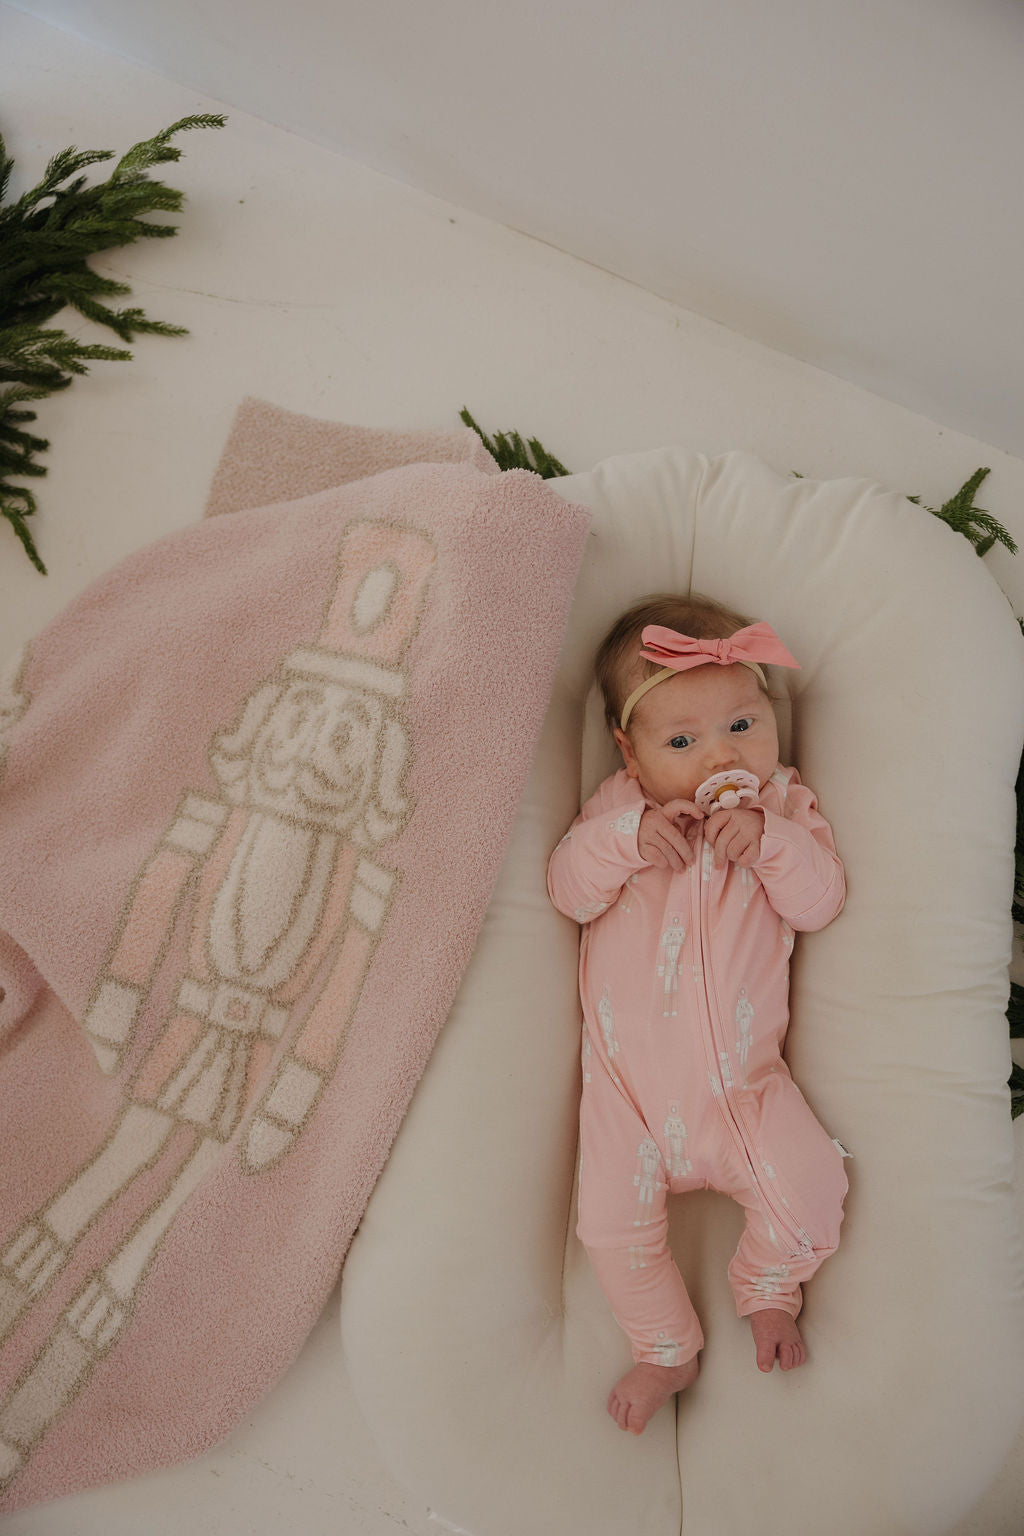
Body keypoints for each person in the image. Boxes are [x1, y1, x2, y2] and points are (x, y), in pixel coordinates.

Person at [547, 593, 849, 1435]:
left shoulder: (783, 807)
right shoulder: (619, 809)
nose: (721, 754)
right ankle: (664, 1347)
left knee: (815, 1190)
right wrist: (627, 841)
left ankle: (768, 1284)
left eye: (742, 726)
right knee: (609, 1230)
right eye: (681, 742)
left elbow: (820, 903)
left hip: (743, 1092)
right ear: (630, 750)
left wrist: (773, 845)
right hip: (627, 1102)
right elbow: (567, 891)